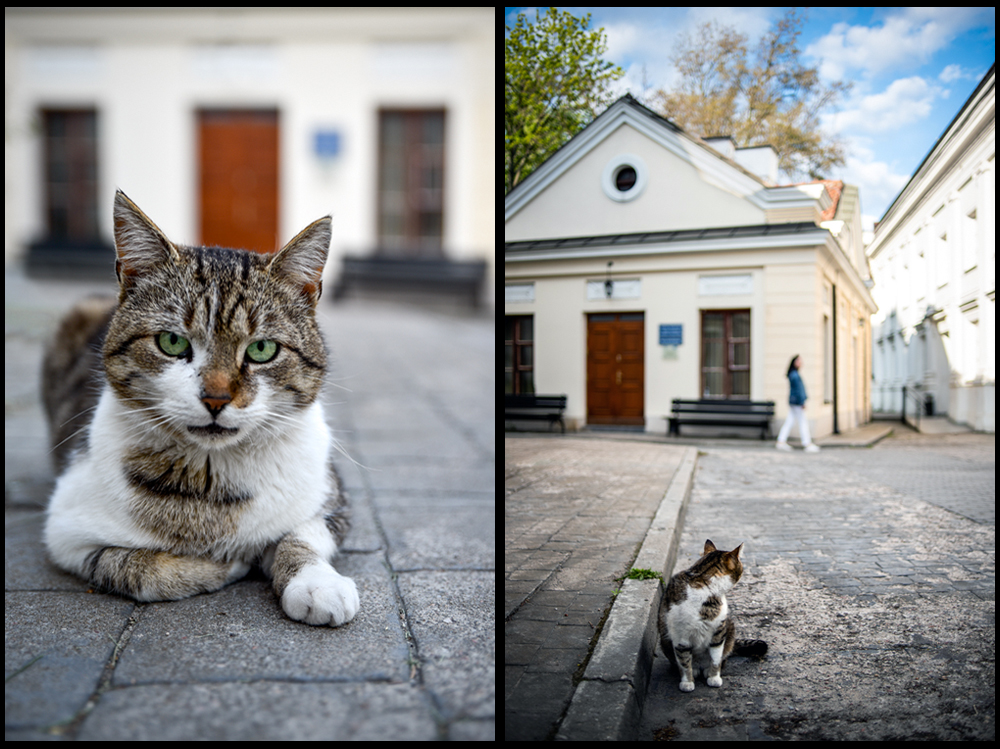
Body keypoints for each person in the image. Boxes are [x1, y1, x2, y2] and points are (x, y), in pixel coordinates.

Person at [776, 355, 820, 453]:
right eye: (799, 361)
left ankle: (781, 441)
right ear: (795, 362)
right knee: (802, 422)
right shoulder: (795, 375)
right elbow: (798, 390)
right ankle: (807, 443)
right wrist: (801, 402)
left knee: (790, 421)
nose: (801, 363)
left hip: (794, 402)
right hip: (796, 402)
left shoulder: (793, 374)